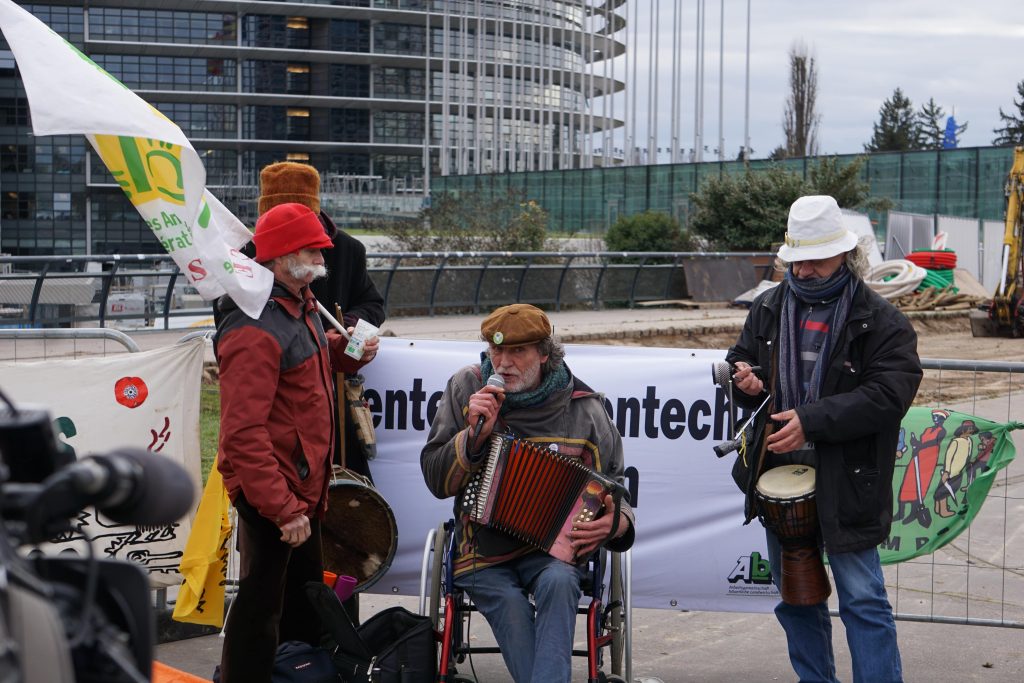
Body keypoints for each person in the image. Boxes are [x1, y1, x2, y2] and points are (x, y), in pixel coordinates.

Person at [726, 195, 922, 683]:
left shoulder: (883, 321)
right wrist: (743, 380)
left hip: (849, 477)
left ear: (845, 255)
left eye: (818, 258)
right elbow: (740, 359)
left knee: (863, 601)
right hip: (777, 477)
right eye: (799, 260)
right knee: (796, 600)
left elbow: (889, 394)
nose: (807, 269)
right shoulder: (769, 306)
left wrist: (812, 420)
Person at [421, 303, 635, 683]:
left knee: (559, 581)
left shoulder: (584, 408)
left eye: (517, 351)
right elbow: (436, 481)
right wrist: (472, 439)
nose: (503, 363)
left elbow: (617, 487)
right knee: (508, 603)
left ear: (545, 354)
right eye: (495, 350)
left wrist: (613, 524)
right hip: (481, 553)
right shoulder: (466, 388)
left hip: (552, 554)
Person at [214, 202, 380, 683]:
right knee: (261, 609)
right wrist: (283, 509)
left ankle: (297, 673)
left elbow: (311, 363)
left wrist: (351, 350)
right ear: (282, 255)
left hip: (298, 486)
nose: (323, 255)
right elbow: (242, 434)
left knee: (301, 601)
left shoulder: (296, 304)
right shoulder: (254, 326)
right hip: (276, 492)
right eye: (312, 248)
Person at [256, 161, 386, 480]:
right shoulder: (249, 254)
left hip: (332, 394)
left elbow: (373, 305)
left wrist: (352, 332)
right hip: (275, 396)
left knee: (345, 483)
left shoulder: (348, 250)